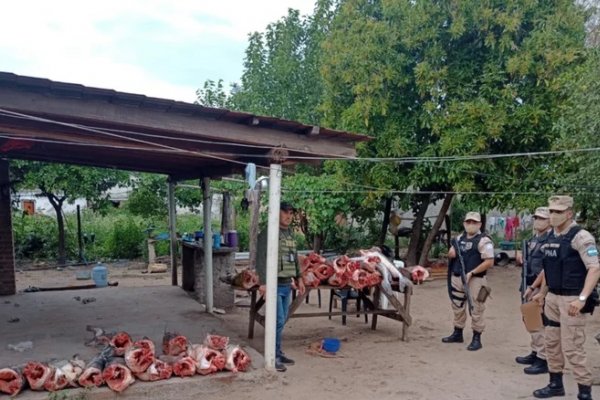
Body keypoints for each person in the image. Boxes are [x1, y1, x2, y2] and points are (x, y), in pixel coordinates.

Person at [531, 196, 600, 399]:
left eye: (558, 212)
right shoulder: (550, 236)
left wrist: (582, 298)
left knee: (572, 348)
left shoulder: (581, 237)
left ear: (569, 213)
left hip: (572, 299)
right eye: (551, 211)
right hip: (552, 297)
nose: (553, 215)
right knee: (551, 343)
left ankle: (584, 391)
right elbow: (549, 267)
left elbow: (595, 268)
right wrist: (542, 293)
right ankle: (555, 384)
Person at [256, 201, 305, 373]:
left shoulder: (290, 233)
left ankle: (277, 352)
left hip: (286, 284)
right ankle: (273, 356)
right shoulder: (268, 233)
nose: (289, 216)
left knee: (282, 320)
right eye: (285, 212)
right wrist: (263, 283)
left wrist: (299, 277)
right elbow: (260, 258)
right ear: (277, 213)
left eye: (291, 213)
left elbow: (294, 256)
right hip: (273, 283)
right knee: (277, 320)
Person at [442, 211, 494, 351]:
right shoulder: (459, 238)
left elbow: (489, 261)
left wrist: (472, 272)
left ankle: (477, 338)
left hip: (476, 280)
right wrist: (451, 253)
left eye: (474, 222)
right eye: (468, 222)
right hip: (458, 277)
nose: (471, 225)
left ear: (480, 224)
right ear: (464, 223)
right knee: (457, 305)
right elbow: (452, 252)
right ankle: (457, 332)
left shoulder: (484, 240)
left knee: (477, 307)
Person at [514, 207, 551, 375]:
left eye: (542, 218)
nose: (538, 221)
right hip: (528, 283)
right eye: (536, 217)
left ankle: (543, 358)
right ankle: (535, 351)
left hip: (540, 286)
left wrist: (534, 287)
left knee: (539, 322)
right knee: (529, 319)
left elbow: (547, 269)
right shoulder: (533, 239)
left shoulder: (550, 240)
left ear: (550, 221)